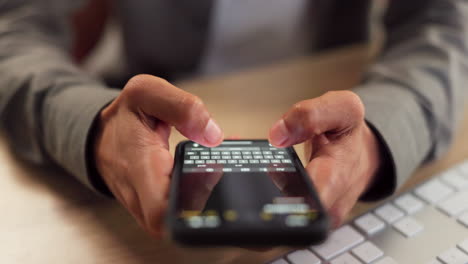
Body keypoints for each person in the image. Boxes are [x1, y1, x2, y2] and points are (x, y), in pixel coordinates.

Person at [0, 0, 466, 238]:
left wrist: (376, 137)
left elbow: (442, 23)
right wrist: (93, 129)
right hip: (141, 102)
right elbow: (15, 30)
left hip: (330, 91)